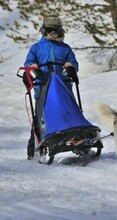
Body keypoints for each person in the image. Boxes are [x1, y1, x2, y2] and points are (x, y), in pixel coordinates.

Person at [24, 15, 79, 159]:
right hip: (43, 86)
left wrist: (70, 66)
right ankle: (38, 148)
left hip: (63, 87)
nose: (54, 33)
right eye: (50, 30)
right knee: (42, 117)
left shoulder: (65, 48)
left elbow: (74, 64)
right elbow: (28, 62)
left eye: (56, 30)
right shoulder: (36, 48)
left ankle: (78, 142)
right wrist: (31, 66)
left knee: (70, 112)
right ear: (44, 31)